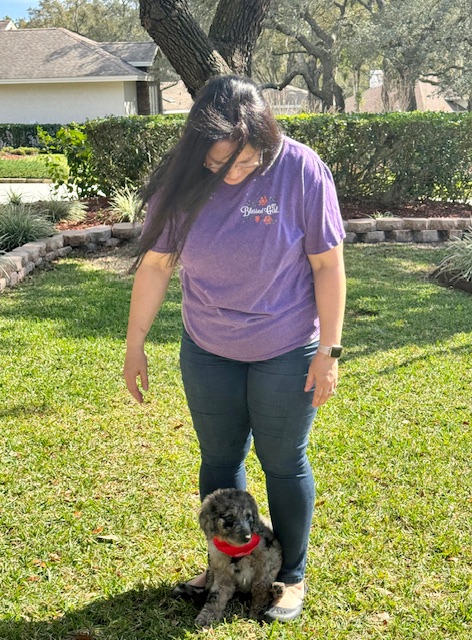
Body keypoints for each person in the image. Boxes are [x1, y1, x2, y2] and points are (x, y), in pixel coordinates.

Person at [123, 75, 346, 623]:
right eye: (219, 162)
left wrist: (330, 351)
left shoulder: (300, 169)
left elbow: (327, 265)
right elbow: (156, 265)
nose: (233, 173)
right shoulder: (180, 181)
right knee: (220, 462)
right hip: (208, 346)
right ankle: (224, 568)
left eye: (246, 161)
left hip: (286, 345)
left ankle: (290, 575)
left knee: (283, 461)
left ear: (266, 139)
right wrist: (135, 344)